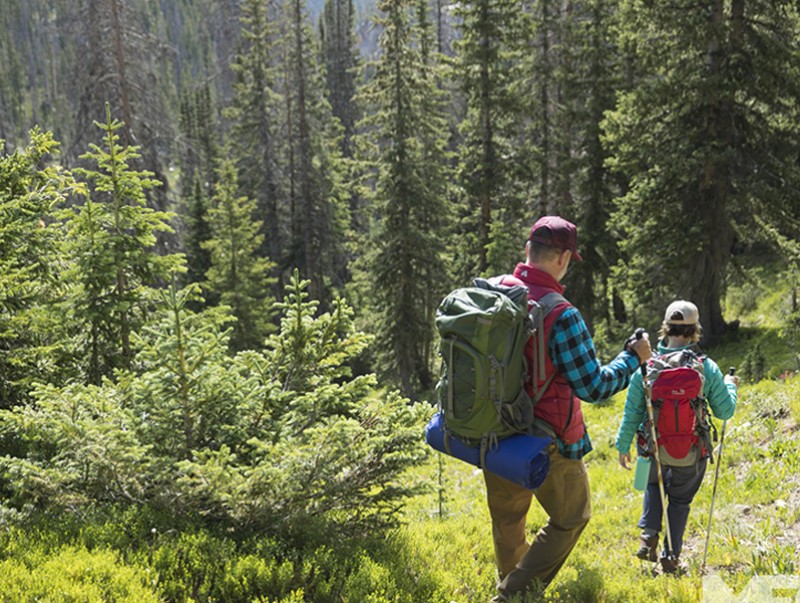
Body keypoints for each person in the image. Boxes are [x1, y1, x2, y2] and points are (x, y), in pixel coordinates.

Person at [483, 216, 652, 602]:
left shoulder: (496, 292)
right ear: (561, 257)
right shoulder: (562, 313)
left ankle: (513, 584)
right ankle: (512, 596)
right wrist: (631, 358)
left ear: (528, 250)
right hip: (547, 440)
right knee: (572, 517)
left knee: (508, 519)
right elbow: (593, 386)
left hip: (493, 431)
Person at [615, 300, 738, 573]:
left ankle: (648, 536)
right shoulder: (706, 367)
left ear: (665, 329)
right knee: (680, 501)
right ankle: (671, 556)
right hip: (691, 452)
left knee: (650, 485)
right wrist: (731, 386)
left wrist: (623, 445)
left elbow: (632, 412)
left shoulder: (646, 367)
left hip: (652, 449)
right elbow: (725, 410)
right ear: (695, 331)